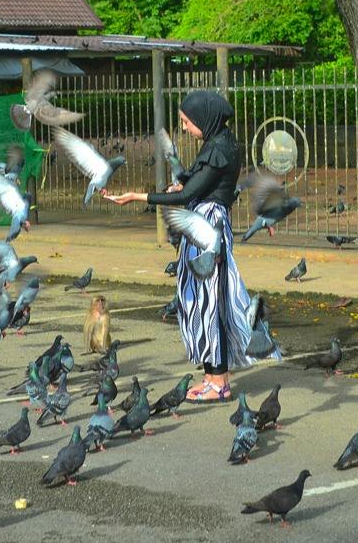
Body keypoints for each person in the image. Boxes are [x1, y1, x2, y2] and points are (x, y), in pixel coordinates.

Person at [102, 90, 256, 402]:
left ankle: (220, 382)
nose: (184, 128)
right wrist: (183, 183)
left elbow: (188, 196)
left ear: (203, 119)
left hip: (208, 231)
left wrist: (139, 196)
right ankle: (212, 377)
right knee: (202, 304)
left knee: (212, 305)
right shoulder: (217, 143)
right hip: (203, 228)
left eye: (186, 122)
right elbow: (195, 182)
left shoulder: (220, 149)